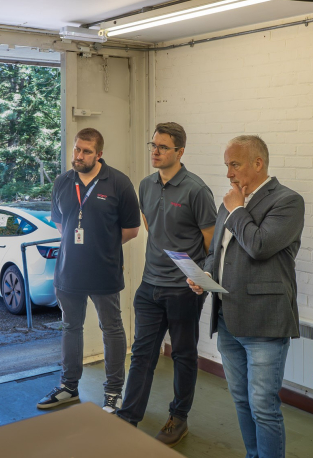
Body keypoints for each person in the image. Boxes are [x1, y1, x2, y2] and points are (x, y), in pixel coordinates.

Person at [188, 135, 305, 458]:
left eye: (235, 165)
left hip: (264, 321)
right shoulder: (231, 201)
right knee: (241, 399)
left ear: (258, 163)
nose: (229, 174)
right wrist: (207, 274)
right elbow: (217, 251)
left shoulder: (287, 201)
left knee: (264, 406)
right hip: (227, 317)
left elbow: (260, 245)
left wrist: (237, 209)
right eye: (227, 165)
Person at [115, 122, 217, 446]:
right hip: (149, 285)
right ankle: (128, 416)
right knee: (142, 352)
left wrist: (199, 278)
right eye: (153, 145)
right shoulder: (145, 185)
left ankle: (179, 417)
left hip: (184, 289)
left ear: (180, 152)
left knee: (183, 354)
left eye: (162, 147)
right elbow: (152, 227)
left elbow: (211, 245)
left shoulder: (197, 190)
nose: (155, 152)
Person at [37, 128, 141, 412]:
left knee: (112, 329)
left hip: (104, 271)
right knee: (71, 327)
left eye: (85, 151)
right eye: (76, 149)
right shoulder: (62, 181)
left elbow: (131, 229)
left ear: (99, 154)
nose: (78, 156)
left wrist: (101, 244)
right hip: (68, 271)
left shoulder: (118, 182)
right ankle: (69, 387)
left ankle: (113, 392)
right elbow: (62, 224)